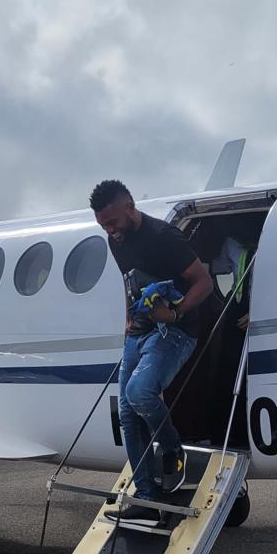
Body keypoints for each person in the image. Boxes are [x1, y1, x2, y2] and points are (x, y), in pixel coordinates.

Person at [89, 179, 213, 525]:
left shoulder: (164, 238)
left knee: (140, 393)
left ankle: (173, 449)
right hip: (139, 334)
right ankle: (146, 496)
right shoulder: (116, 241)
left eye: (112, 222)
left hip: (173, 331)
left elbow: (205, 282)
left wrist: (175, 314)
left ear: (130, 206)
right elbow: (129, 282)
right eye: (103, 225)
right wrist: (128, 321)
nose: (110, 231)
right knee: (127, 413)